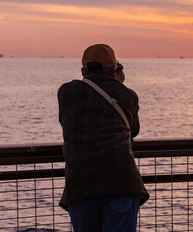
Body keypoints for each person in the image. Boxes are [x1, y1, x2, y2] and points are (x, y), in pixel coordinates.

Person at [58, 44, 149, 232]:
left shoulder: (66, 92)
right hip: (121, 183)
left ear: (83, 70)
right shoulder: (128, 96)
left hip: (81, 185)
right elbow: (134, 130)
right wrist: (119, 84)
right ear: (115, 69)